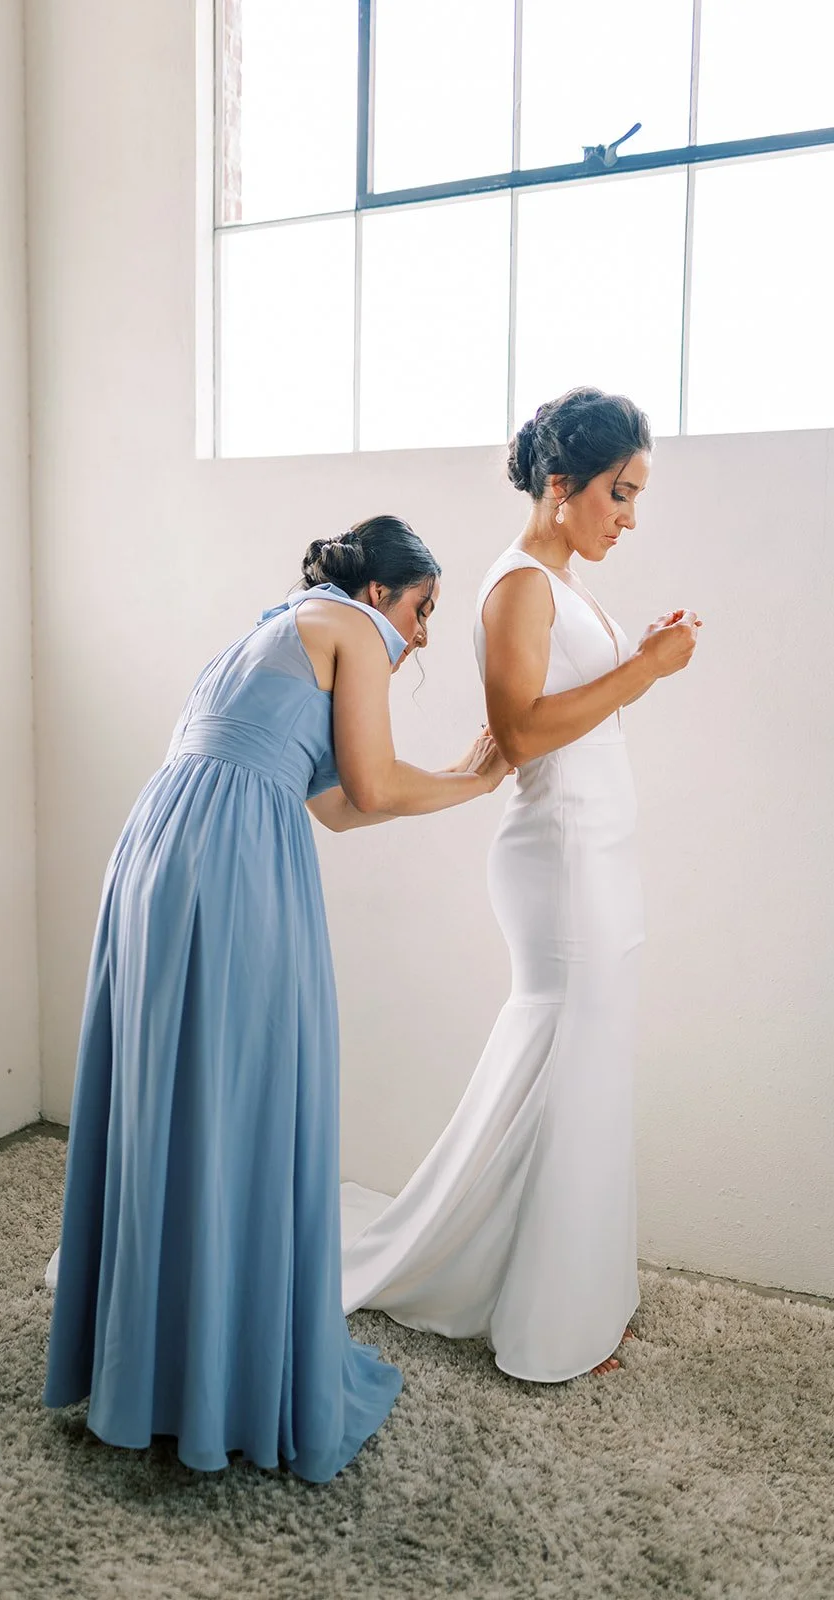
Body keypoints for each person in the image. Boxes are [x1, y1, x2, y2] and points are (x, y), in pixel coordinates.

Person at [43, 516, 510, 1481]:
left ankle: (155, 1364)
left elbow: (332, 803)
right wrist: (477, 779)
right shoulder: (353, 629)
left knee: (175, 1093)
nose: (423, 635)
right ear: (379, 593)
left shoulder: (269, 630)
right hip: (232, 860)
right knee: (245, 1094)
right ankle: (214, 1374)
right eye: (422, 609)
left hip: (158, 848)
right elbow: (371, 789)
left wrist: (461, 779)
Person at [341, 388, 702, 1381]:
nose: (628, 518)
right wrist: (646, 669)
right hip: (559, 853)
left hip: (599, 846)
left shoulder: (563, 585)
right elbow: (522, 731)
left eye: (634, 498)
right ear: (559, 483)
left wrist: (637, 654)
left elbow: (566, 707)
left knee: (586, 1065)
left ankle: (574, 1291)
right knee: (570, 1056)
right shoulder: (516, 585)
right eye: (619, 494)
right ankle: (551, 1323)